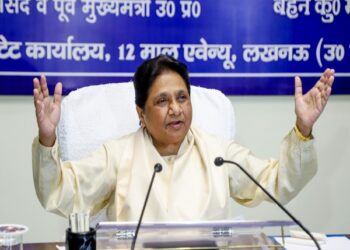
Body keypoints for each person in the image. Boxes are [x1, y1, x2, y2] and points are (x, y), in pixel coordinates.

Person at [32, 55, 335, 221]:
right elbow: (62, 191)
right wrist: (48, 138)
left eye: (182, 97)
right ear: (141, 113)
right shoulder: (118, 154)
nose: (176, 109)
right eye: (162, 101)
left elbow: (275, 181)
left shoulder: (218, 153)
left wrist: (302, 128)